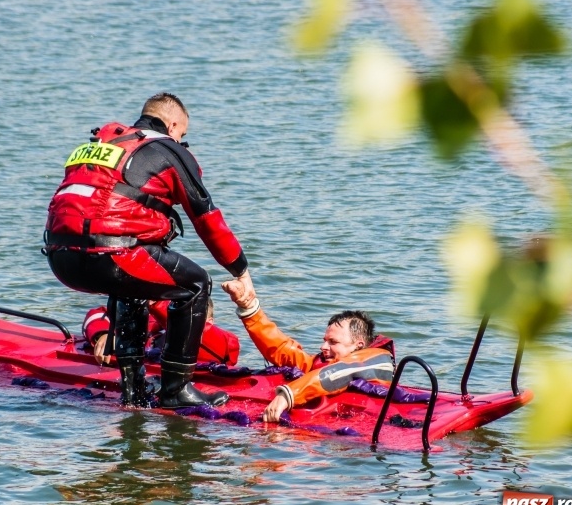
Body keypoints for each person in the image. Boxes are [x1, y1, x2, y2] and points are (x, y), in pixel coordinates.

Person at [44, 92, 256, 408]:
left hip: (60, 258)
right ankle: (176, 390)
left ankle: (133, 390)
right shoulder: (166, 149)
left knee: (131, 287)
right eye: (182, 135)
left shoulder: (105, 145)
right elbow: (207, 219)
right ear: (172, 125)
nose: (182, 142)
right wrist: (240, 270)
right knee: (196, 285)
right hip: (111, 256)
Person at [221, 279, 423, 422]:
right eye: (324, 340)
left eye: (332, 342)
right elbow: (284, 351)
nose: (323, 347)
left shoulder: (378, 360)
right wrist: (248, 308)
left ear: (358, 345)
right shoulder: (325, 363)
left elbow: (341, 373)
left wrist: (287, 396)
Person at [83, 298, 241, 366]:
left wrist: (156, 303)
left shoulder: (222, 341)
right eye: (173, 306)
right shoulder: (154, 326)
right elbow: (98, 314)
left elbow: (189, 328)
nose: (174, 310)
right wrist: (104, 335)